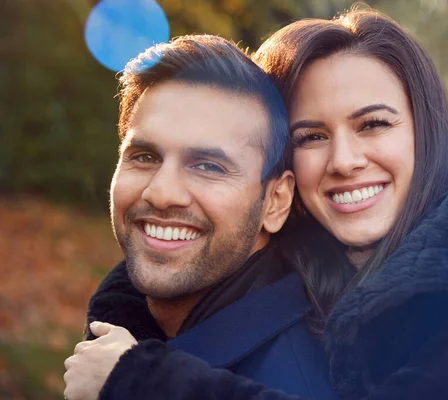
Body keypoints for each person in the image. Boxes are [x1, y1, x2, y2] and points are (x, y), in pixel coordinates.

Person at [69, 8, 448, 400]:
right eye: (312, 135)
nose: (344, 160)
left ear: (424, 131)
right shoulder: (295, 275)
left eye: (374, 124)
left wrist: (144, 380)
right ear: (283, 181)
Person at [63, 34, 341, 400]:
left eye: (208, 166)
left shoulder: (294, 379)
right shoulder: (123, 329)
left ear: (275, 201)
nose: (161, 193)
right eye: (145, 157)